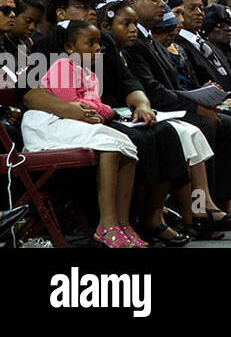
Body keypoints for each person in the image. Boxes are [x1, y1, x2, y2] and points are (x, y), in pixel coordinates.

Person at [20, 18, 145, 248]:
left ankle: (122, 222)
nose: (98, 48)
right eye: (90, 43)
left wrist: (96, 110)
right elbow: (70, 103)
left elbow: (101, 108)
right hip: (48, 125)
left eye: (99, 44)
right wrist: (96, 110)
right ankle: (105, 225)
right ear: (70, 47)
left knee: (125, 143)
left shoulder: (90, 73)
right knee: (109, 143)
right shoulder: (62, 66)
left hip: (74, 123)